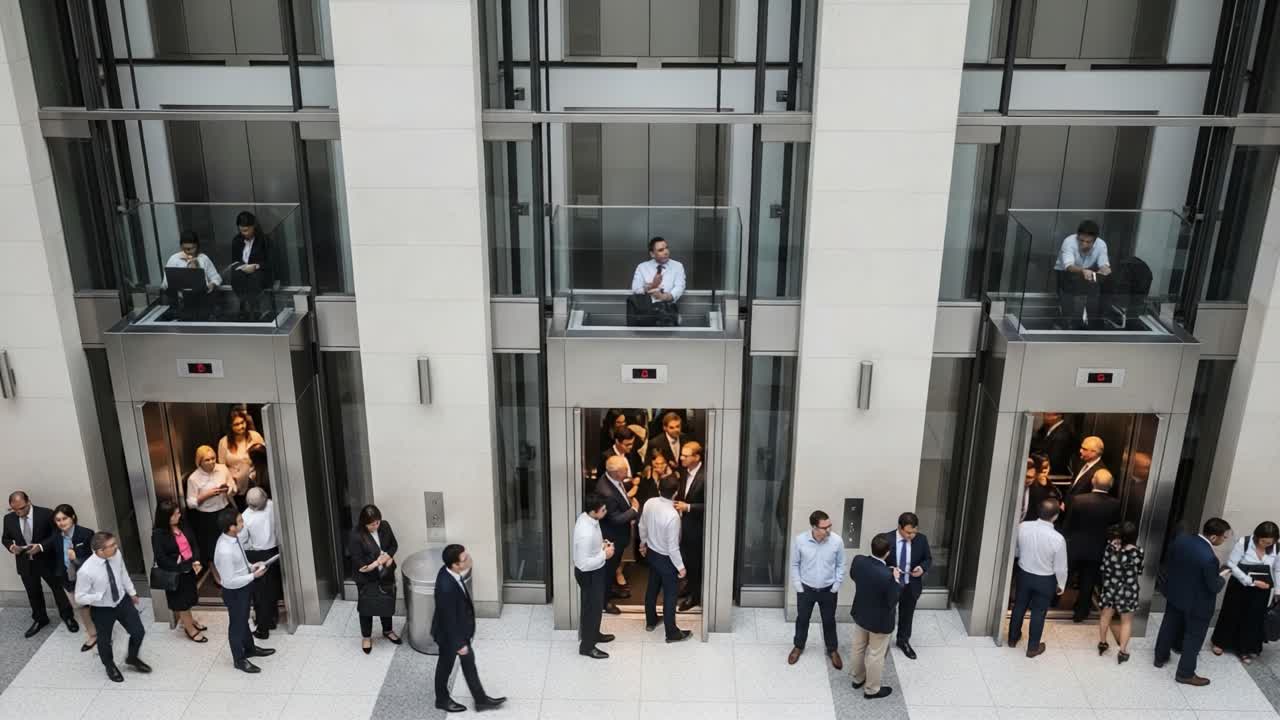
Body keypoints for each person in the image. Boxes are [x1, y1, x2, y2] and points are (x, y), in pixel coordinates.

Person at [1154, 517, 1233, 686]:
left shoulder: (1182, 541)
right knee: (1194, 637)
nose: (1224, 540)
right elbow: (1213, 586)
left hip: (1175, 594)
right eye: (1223, 537)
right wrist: (1222, 576)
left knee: (1168, 625)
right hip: (1197, 603)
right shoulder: (1210, 558)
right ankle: (1185, 673)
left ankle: (1159, 657)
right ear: (1213, 537)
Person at [431, 544, 506, 713]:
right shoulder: (446, 586)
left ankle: (480, 700)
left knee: (468, 665)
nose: (469, 559)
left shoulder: (450, 572)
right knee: (445, 666)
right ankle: (442, 699)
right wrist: (459, 644)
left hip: (458, 632)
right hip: (450, 636)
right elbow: (448, 618)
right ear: (455, 565)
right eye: (465, 559)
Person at [74, 531, 150, 682]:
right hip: (102, 609)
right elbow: (79, 597)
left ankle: (132, 658)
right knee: (105, 640)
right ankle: (110, 666)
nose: (116, 547)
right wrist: (97, 596)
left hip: (122, 601)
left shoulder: (116, 555)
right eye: (112, 545)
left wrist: (132, 592)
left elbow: (122, 573)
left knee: (138, 632)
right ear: (100, 551)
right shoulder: (86, 571)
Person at [3, 491, 76, 637]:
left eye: (22, 508)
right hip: (25, 562)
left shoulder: (46, 514)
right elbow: (5, 538)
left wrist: (41, 547)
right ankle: (40, 619)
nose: (18, 512)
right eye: (14, 509)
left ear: (29, 502)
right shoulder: (8, 518)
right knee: (33, 593)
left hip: (48, 560)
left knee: (58, 589)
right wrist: (12, 547)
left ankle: (68, 617)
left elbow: (57, 534)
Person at [213, 507, 275, 673]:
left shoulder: (234, 538)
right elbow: (230, 580)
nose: (243, 523)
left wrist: (251, 567)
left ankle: (250, 648)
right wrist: (253, 576)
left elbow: (240, 561)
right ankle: (239, 659)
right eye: (240, 521)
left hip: (243, 586)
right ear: (231, 527)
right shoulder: (224, 550)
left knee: (243, 620)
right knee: (237, 625)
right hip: (235, 592)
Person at [1210, 521, 1279, 664]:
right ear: (1257, 536)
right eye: (1263, 541)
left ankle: (1245, 648)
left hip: (1262, 588)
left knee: (1253, 618)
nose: (1265, 545)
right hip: (1240, 584)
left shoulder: (1276, 548)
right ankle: (1221, 642)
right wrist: (1251, 581)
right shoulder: (1244, 542)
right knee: (1231, 612)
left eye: (1269, 543)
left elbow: (1277, 569)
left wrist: (1278, 590)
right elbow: (1232, 565)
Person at [1009, 499, 1068, 658]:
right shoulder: (1058, 538)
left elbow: (1015, 550)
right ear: (1055, 516)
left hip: (1024, 573)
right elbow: (1060, 567)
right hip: (1045, 580)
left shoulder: (1023, 527)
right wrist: (1061, 585)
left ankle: (1012, 639)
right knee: (1038, 612)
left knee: (1019, 606)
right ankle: (1032, 648)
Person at [1062, 469, 1121, 622]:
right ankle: (1080, 613)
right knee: (1088, 581)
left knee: (1064, 576)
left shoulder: (1078, 500)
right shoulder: (1115, 504)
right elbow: (1114, 527)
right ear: (1111, 485)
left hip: (1075, 547)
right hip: (1097, 549)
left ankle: (1054, 602)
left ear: (1093, 481)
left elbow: (1068, 524)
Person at [848, 533, 902, 700]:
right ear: (887, 553)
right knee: (875, 654)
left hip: (861, 614)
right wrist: (896, 580)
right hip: (880, 621)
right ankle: (871, 689)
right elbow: (893, 600)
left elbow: (854, 576)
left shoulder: (858, 561)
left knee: (858, 647)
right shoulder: (888, 576)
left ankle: (857, 678)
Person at [788, 510, 845, 669]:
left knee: (829, 620)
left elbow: (841, 564)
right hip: (806, 589)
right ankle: (798, 646)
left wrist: (836, 586)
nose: (828, 530)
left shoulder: (836, 541)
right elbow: (795, 564)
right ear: (814, 527)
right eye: (824, 527)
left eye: (829, 526)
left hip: (828, 590)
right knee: (802, 619)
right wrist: (798, 586)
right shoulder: (800, 541)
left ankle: (832, 649)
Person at [639, 476, 692, 643]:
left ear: (658, 487)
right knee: (670, 595)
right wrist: (681, 567)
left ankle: (651, 621)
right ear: (676, 492)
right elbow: (672, 547)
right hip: (666, 559)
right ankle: (672, 633)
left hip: (652, 554)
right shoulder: (673, 515)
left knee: (652, 588)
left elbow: (642, 525)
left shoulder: (649, 503)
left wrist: (643, 543)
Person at [347, 504, 402, 654]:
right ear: (364, 523)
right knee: (367, 606)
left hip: (385, 573)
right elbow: (360, 565)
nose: (376, 526)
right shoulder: (356, 535)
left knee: (386, 600)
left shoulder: (384, 526)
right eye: (372, 524)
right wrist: (378, 562)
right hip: (366, 577)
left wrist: (389, 558)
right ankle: (366, 637)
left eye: (378, 522)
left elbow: (393, 545)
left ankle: (388, 630)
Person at [150, 499, 207, 643]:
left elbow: (193, 542)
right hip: (176, 572)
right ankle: (190, 628)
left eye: (178, 513)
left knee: (189, 597)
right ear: (165, 517)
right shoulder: (158, 534)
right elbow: (161, 558)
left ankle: (190, 620)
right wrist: (180, 567)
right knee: (182, 602)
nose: (178, 516)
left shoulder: (182, 524)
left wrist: (196, 560)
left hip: (190, 567)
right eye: (174, 515)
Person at [573, 493, 617, 659]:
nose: (606, 512)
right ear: (595, 511)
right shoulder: (586, 532)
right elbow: (584, 564)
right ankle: (587, 646)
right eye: (603, 509)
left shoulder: (588, 519)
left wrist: (601, 546)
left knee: (594, 607)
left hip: (595, 569)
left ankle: (593, 634)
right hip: (589, 573)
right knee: (591, 609)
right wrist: (604, 555)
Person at [884, 512, 932, 660]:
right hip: (892, 584)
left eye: (914, 532)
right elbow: (877, 562)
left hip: (911, 584)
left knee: (907, 614)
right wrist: (891, 571)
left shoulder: (921, 540)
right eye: (908, 532)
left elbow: (928, 559)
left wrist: (922, 568)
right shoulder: (886, 539)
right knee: (887, 613)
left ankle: (903, 641)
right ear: (899, 527)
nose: (911, 535)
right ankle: (882, 642)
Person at [595, 455, 639, 614]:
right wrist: (633, 510)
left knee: (612, 567)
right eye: (624, 470)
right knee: (608, 569)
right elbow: (615, 519)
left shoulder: (612, 480)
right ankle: (604, 602)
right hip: (612, 537)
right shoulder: (606, 492)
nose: (627, 471)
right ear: (614, 473)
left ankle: (608, 591)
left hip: (618, 535)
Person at [51, 504, 97, 652]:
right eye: (58, 520)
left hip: (86, 578)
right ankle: (93, 635)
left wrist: (77, 557)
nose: (61, 523)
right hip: (68, 579)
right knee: (81, 608)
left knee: (95, 607)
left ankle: (104, 631)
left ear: (73, 517)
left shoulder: (86, 533)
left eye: (64, 518)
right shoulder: (56, 537)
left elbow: (95, 558)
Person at [185, 445, 235, 580]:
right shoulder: (193, 478)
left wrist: (227, 489)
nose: (212, 462)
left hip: (225, 510)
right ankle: (217, 574)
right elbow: (190, 503)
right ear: (199, 462)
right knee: (212, 546)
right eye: (207, 460)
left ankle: (232, 569)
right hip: (207, 516)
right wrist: (205, 496)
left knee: (230, 540)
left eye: (213, 458)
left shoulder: (222, 469)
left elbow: (233, 486)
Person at [1096, 521, 1143, 664]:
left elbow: (1103, 568)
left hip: (1110, 587)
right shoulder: (1138, 552)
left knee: (1105, 616)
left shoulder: (1110, 548)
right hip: (1128, 591)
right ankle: (1122, 652)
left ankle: (1103, 643)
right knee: (1126, 622)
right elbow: (1139, 571)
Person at [1054, 219, 1110, 329]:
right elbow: (1068, 266)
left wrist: (1105, 270)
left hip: (1088, 271)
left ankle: (1090, 325)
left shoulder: (1101, 244)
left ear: (1095, 240)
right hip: (1065, 272)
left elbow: (1104, 264)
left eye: (1088, 242)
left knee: (1093, 299)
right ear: (1077, 236)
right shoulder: (1069, 242)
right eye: (1081, 240)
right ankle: (1066, 324)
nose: (1084, 244)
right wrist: (1083, 271)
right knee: (1068, 303)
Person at [242, 488, 282, 640]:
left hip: (257, 555)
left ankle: (263, 628)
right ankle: (272, 619)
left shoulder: (245, 517)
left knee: (260, 595)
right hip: (274, 552)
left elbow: (243, 541)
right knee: (272, 588)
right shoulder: (273, 505)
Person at [675, 440, 706, 611]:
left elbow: (713, 505)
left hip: (698, 527)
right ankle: (689, 587)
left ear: (697, 457)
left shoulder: (705, 476)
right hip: (685, 526)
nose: (681, 458)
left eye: (686, 456)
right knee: (687, 559)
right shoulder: (685, 472)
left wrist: (688, 507)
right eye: (682, 455)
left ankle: (695, 596)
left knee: (695, 562)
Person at [218, 408, 264, 510]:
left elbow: (264, 458)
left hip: (255, 482)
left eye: (242, 422)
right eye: (236, 424)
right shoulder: (223, 442)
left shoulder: (254, 436)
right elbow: (221, 466)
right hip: (235, 487)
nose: (241, 426)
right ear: (230, 426)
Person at [631, 236, 686, 305]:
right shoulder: (642, 267)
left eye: (666, 248)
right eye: (661, 250)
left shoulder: (678, 266)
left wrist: (664, 297)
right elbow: (636, 289)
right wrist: (652, 286)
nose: (666, 252)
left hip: (668, 310)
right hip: (646, 310)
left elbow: (679, 287)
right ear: (652, 254)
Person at [1021, 454, 1063, 522]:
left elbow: (1059, 497)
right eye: (1040, 468)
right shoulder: (1029, 486)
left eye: (1046, 467)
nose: (1044, 471)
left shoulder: (1050, 484)